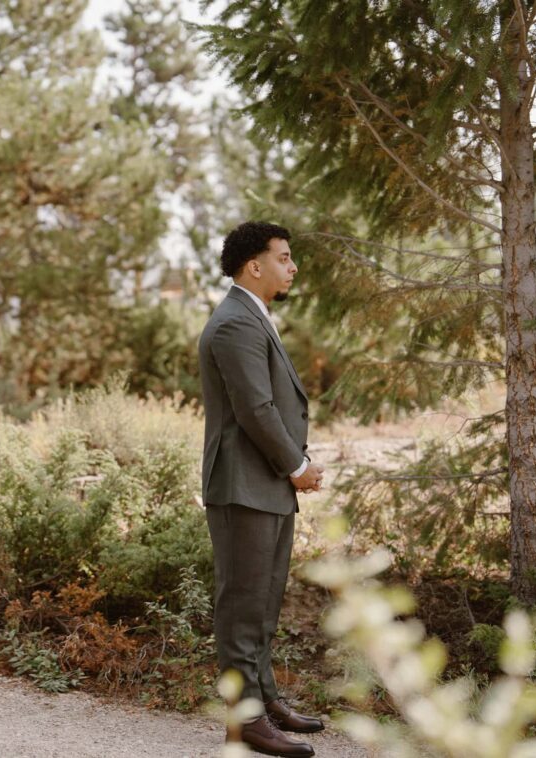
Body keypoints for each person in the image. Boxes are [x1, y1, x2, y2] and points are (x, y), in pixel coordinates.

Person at [198, 222, 326, 758]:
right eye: (284, 257)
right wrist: (297, 465)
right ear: (255, 265)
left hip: (263, 484)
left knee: (264, 603)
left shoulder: (253, 316)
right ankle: (245, 720)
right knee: (242, 606)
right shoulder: (234, 322)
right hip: (243, 484)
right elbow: (256, 408)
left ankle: (265, 699)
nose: (293, 267)